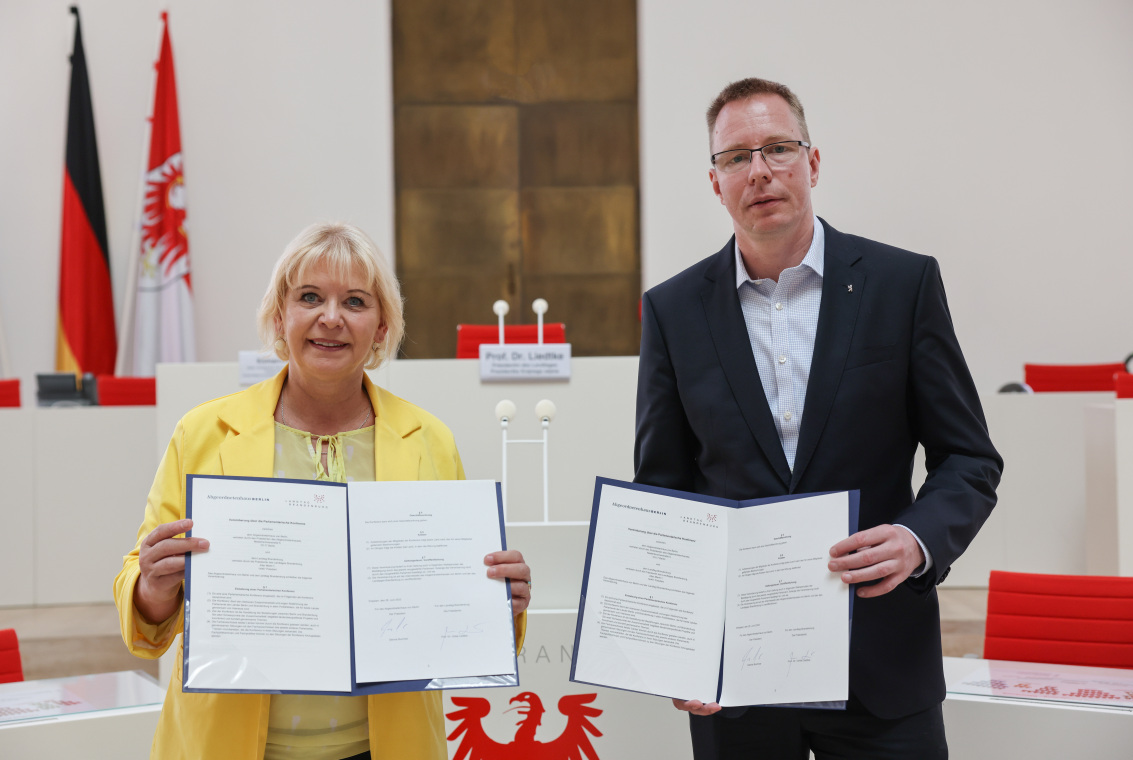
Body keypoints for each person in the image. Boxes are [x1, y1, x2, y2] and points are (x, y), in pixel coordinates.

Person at [634, 78, 1002, 758]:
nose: (761, 171)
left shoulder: (903, 285)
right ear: (715, 182)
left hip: (882, 664)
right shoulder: (673, 312)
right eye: (736, 157)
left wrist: (917, 541)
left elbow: (969, 459)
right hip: (737, 679)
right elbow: (667, 496)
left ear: (814, 162)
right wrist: (680, 647)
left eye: (778, 148)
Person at [114, 222, 532, 760]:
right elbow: (143, 609)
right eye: (309, 297)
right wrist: (153, 585)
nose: (330, 318)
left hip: (385, 747)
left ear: (381, 327)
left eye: (355, 301)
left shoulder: (429, 440)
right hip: (227, 744)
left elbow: (457, 604)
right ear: (279, 317)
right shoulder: (203, 432)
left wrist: (501, 601)